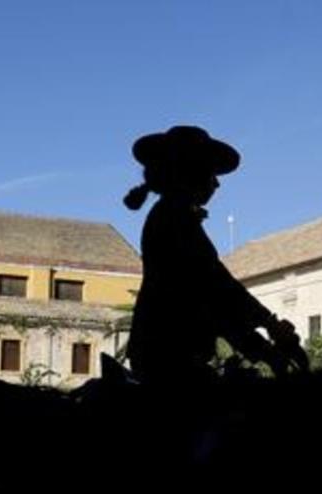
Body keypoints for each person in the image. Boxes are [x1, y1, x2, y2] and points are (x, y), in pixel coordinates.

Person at [121, 125, 307, 396]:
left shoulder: (172, 216)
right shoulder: (176, 220)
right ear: (189, 173)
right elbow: (213, 292)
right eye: (210, 173)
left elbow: (219, 290)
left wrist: (266, 328)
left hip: (163, 353)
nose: (216, 183)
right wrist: (266, 341)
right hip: (169, 357)